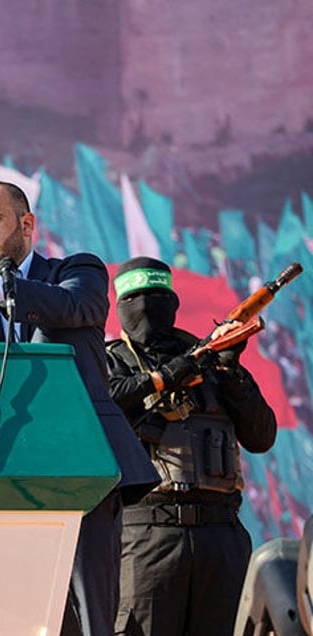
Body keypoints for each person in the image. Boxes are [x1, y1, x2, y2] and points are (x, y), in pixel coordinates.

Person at [0, 180, 159, 636]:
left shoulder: (76, 271)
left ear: (27, 224)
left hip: (83, 466)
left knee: (91, 614)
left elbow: (76, 307)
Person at [106, 256, 277, 636]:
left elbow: (262, 437)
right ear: (120, 307)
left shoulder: (213, 362)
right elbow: (105, 408)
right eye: (136, 298)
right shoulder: (113, 363)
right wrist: (165, 377)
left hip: (222, 535)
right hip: (147, 533)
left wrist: (231, 373)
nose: (147, 306)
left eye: (155, 295)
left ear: (173, 303)